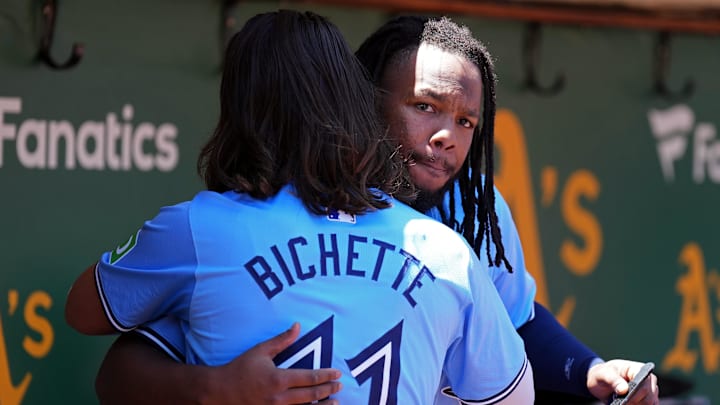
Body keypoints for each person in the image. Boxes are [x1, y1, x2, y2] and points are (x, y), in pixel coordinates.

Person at [91, 14, 659, 405]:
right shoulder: (264, 214)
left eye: (466, 122)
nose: (446, 137)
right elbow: (132, 362)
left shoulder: (474, 207)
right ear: (355, 98)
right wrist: (211, 388)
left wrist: (587, 370)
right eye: (423, 106)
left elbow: (516, 319)